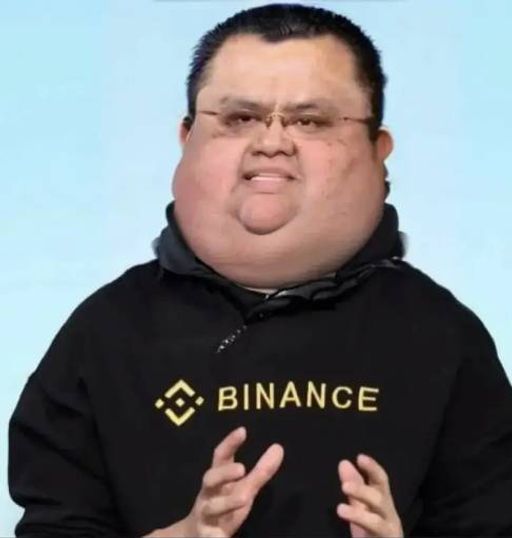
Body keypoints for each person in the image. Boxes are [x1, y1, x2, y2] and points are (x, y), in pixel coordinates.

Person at [8, 3, 512, 537]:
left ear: (378, 149)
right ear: (186, 137)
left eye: (310, 121)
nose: (271, 143)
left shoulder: (439, 336)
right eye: (239, 119)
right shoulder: (107, 334)